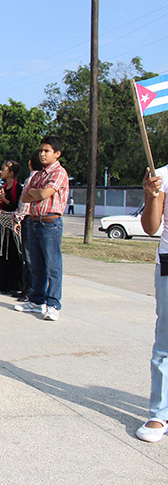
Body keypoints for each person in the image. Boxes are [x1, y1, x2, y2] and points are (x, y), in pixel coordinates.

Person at [15, 136, 69, 321]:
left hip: (50, 223)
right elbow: (25, 197)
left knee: (52, 265)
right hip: (34, 221)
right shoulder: (39, 174)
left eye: (47, 151)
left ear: (57, 154)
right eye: (41, 150)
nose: (42, 154)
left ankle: (53, 304)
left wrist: (36, 193)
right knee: (35, 264)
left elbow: (46, 193)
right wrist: (37, 194)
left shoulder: (59, 173)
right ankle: (36, 301)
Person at [137, 167, 168, 442]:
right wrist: (151, 195)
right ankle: (159, 413)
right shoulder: (162, 175)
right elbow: (150, 227)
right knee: (165, 344)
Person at [0, 161, 24, 296]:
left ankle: (15, 284)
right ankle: (1, 282)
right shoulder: (5, 186)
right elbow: (2, 205)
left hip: (13, 222)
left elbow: (16, 205)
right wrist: (0, 200)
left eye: (3, 169)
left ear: (11, 173)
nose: (0, 171)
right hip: (3, 221)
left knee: (14, 252)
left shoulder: (18, 188)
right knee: (2, 250)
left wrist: (5, 200)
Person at [13, 153, 43, 303]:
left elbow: (25, 204)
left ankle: (29, 291)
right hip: (34, 219)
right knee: (31, 256)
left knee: (28, 257)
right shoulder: (42, 177)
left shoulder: (31, 179)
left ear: (30, 163)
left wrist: (17, 217)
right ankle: (28, 289)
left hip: (27, 219)